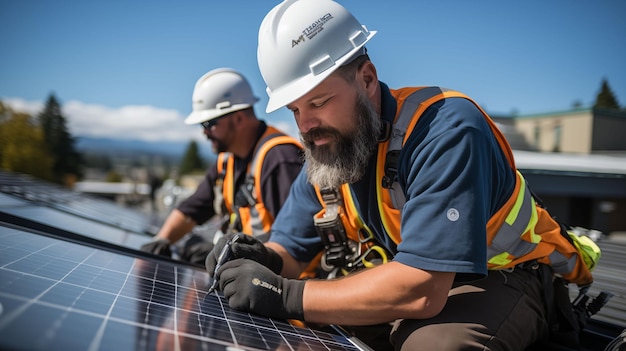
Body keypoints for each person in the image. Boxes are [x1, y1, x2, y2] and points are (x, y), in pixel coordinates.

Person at [206, 1, 601, 350]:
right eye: (294, 109)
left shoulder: (445, 129)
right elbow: (290, 252)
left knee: (432, 345)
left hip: (503, 276)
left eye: (319, 102)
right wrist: (262, 261)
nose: (306, 125)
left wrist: (286, 295)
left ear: (367, 78)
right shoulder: (330, 152)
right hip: (412, 278)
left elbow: (423, 288)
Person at [141, 68, 303, 266]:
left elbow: (298, 242)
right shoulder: (226, 162)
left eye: (210, 123)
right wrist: (161, 240)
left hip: (278, 280)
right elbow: (192, 210)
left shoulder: (279, 159)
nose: (205, 133)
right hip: (247, 272)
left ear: (239, 118)